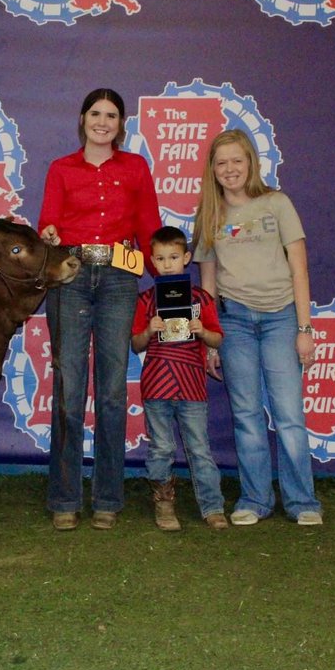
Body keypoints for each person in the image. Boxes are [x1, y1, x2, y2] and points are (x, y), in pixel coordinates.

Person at [38, 88, 162, 531]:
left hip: (118, 278)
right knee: (70, 390)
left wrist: (166, 285)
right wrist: (49, 235)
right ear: (82, 118)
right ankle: (65, 497)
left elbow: (150, 228)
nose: (103, 121)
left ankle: (108, 496)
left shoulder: (136, 168)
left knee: (111, 391)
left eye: (112, 115)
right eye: (96, 113)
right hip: (70, 277)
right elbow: (48, 221)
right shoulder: (61, 168)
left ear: (121, 123)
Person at [191, 129, 323, 526]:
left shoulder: (277, 204)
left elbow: (299, 268)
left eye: (237, 160)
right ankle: (255, 499)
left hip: (281, 317)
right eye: (221, 163)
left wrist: (304, 327)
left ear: (250, 163)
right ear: (212, 170)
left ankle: (302, 502)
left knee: (288, 414)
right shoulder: (210, 215)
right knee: (246, 414)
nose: (230, 169)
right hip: (233, 323)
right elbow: (208, 282)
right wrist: (211, 341)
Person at [131, 226, 227, 531]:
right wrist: (148, 329)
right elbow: (135, 344)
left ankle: (212, 507)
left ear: (186, 258)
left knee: (199, 448)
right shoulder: (146, 300)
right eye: (160, 258)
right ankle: (164, 503)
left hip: (192, 387)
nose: (168, 263)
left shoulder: (201, 298)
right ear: (152, 261)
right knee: (161, 448)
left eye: (174, 256)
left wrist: (203, 331)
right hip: (157, 385)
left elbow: (217, 340)